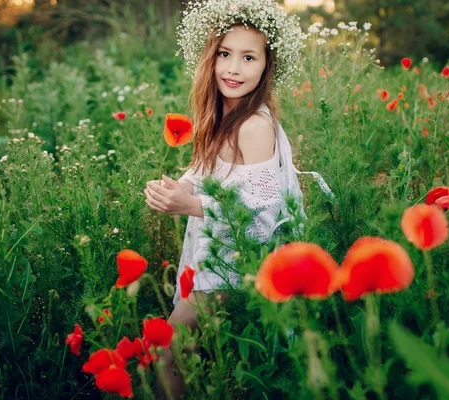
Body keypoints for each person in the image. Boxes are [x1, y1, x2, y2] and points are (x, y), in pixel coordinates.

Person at [143, 1, 331, 398]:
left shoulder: (253, 126)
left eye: (249, 57)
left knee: (170, 352)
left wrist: (189, 206)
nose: (233, 68)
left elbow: (262, 214)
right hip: (215, 257)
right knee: (197, 358)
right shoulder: (220, 117)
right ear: (210, 58)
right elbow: (201, 173)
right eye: (225, 54)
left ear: (267, 66)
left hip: (232, 267)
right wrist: (178, 190)